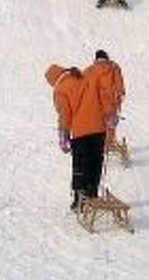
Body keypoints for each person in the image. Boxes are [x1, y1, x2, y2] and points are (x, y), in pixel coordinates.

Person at [46, 63, 117, 211]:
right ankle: (92, 194)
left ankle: (79, 200)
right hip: (99, 129)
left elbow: (65, 114)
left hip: (80, 133)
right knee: (96, 163)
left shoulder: (60, 89)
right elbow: (103, 95)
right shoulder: (85, 78)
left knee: (81, 166)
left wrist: (63, 134)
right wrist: (110, 114)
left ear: (53, 80)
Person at [83, 50, 126, 151]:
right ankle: (109, 143)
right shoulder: (114, 68)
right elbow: (119, 83)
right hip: (111, 101)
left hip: (95, 102)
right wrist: (120, 95)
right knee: (110, 124)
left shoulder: (90, 70)